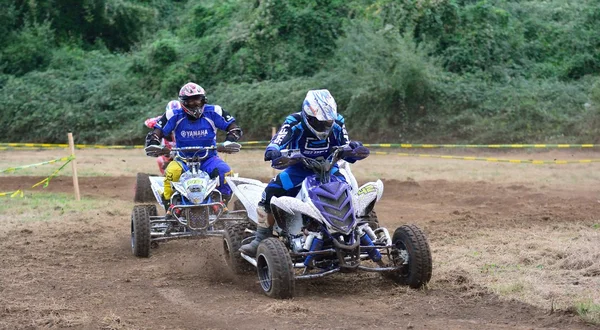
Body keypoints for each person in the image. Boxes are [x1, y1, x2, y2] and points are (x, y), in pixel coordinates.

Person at [239, 89, 366, 256]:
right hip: (299, 170)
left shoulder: (338, 122)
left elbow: (346, 146)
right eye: (319, 122)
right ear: (308, 116)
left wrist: (353, 149)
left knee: (350, 191)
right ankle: (261, 237)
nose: (324, 126)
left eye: (327, 122)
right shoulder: (294, 122)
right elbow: (279, 139)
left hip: (330, 168)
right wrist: (274, 150)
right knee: (270, 191)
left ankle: (359, 228)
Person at [144, 82, 243, 216]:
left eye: (197, 99)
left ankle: (222, 206)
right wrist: (155, 143)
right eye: (190, 100)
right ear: (183, 102)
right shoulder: (173, 115)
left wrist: (229, 141)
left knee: (225, 171)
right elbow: (158, 131)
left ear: (203, 99)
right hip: (183, 159)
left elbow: (233, 127)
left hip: (208, 158)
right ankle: (170, 208)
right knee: (171, 172)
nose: (194, 103)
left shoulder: (214, 112)